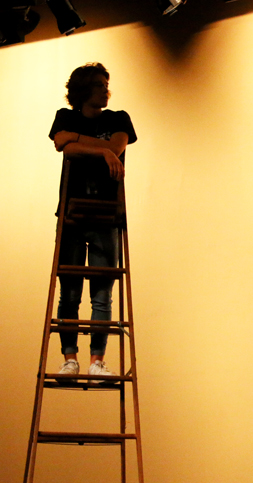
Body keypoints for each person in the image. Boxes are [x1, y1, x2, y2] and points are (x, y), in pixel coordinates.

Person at [48, 63, 137, 378]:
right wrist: (101, 152)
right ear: (84, 89)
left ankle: (97, 360)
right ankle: (69, 357)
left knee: (102, 292)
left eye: (106, 83)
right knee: (69, 291)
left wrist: (82, 142)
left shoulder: (118, 119)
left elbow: (116, 146)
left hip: (106, 215)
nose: (105, 89)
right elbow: (63, 146)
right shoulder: (65, 116)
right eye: (99, 84)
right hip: (72, 214)